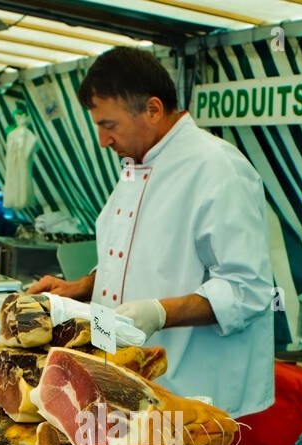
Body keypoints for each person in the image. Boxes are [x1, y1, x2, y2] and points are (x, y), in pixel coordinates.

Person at [27, 47, 275, 417]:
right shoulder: (136, 164)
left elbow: (249, 289)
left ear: (153, 110)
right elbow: (131, 258)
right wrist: (83, 286)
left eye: (108, 126)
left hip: (193, 395)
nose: (102, 141)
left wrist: (160, 313)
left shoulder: (218, 169)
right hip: (125, 383)